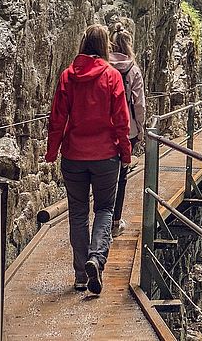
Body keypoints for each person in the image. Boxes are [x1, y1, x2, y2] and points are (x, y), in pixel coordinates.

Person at [45, 24, 132, 295]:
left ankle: (82, 274)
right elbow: (121, 119)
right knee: (104, 210)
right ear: (105, 45)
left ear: (83, 44)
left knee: (78, 214)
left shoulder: (67, 77)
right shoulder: (112, 76)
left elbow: (57, 118)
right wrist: (126, 153)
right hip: (106, 156)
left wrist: (51, 151)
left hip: (73, 156)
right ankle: (96, 258)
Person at [108, 22, 146, 238]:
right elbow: (139, 104)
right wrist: (140, 129)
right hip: (128, 130)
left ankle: (101, 219)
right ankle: (114, 222)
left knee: (105, 174)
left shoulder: (105, 67)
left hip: (106, 129)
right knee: (122, 176)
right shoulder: (133, 70)